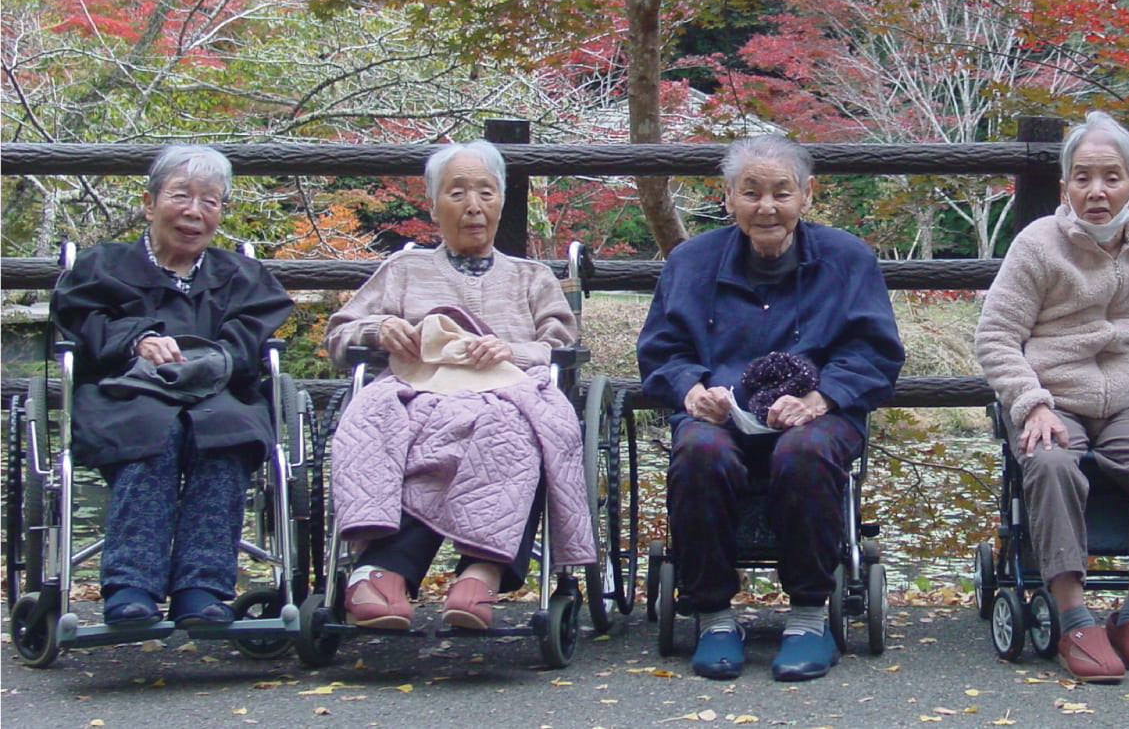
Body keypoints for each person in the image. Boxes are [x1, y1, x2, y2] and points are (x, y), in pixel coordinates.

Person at [636, 135, 905, 682]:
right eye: (751, 192)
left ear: (807, 193)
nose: (767, 207)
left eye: (781, 192)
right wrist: (692, 391)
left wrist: (820, 398)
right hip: (720, 414)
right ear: (728, 196)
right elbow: (663, 351)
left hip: (817, 413)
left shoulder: (847, 258)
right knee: (698, 451)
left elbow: (874, 352)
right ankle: (713, 615)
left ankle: (809, 615)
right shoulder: (691, 261)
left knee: (805, 451)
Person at [974, 112, 1129, 684]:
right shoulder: (1038, 244)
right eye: (1083, 178)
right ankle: (1074, 617)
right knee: (1050, 461)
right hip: (1055, 396)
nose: (1097, 191)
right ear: (1065, 186)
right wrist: (1030, 401)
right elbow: (995, 336)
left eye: (1112, 177)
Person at [325, 140, 593, 632]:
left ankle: (482, 569)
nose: (473, 206)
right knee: (395, 427)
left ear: (501, 203)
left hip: (505, 396)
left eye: (486, 193)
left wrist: (512, 350)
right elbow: (339, 335)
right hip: (419, 395)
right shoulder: (402, 270)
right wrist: (379, 329)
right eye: (457, 193)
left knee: (523, 428)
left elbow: (561, 345)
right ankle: (382, 569)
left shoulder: (531, 277)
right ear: (432, 206)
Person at [52, 145, 294, 629]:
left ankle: (202, 589)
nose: (194, 211)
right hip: (125, 392)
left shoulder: (242, 276)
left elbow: (248, 342)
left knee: (225, 435)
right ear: (149, 203)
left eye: (210, 201)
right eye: (181, 196)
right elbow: (84, 324)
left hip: (218, 396)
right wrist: (137, 340)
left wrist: (211, 359)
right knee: (154, 431)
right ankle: (131, 586)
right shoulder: (102, 266)